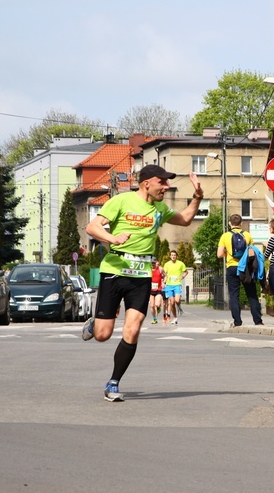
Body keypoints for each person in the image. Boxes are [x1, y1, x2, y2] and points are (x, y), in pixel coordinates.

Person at [82, 164, 204, 402]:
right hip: (115, 270)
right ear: (147, 182)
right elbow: (92, 227)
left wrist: (198, 196)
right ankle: (94, 324)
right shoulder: (121, 201)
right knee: (103, 334)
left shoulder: (160, 208)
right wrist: (113, 238)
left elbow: (187, 219)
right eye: (163, 182)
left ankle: (113, 382)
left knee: (134, 328)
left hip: (141, 275)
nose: (166, 187)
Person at [217, 214, 263, 327]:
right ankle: (258, 321)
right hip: (246, 267)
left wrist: (227, 253)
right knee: (252, 294)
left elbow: (219, 255)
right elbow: (251, 252)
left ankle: (237, 322)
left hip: (232, 267)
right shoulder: (247, 235)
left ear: (230, 223)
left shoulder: (225, 236)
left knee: (234, 295)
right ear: (241, 224)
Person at [162, 250, 187, 325]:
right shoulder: (167, 264)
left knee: (177, 300)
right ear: (170, 256)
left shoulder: (180, 263)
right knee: (172, 302)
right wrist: (164, 281)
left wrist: (182, 276)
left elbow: (186, 272)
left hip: (177, 284)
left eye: (174, 255)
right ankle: (175, 318)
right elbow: (165, 274)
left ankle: (179, 306)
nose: (173, 256)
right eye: (172, 255)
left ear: (176, 256)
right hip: (169, 285)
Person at [149, 259, 164, 324]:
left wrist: (164, 282)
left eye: (154, 263)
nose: (153, 265)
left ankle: (158, 308)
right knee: (152, 306)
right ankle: (155, 318)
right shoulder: (148, 270)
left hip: (158, 290)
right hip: (151, 290)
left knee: (157, 305)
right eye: (152, 263)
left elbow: (165, 275)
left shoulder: (160, 269)